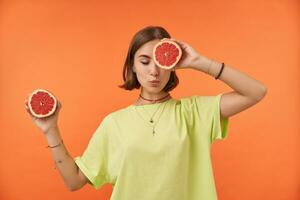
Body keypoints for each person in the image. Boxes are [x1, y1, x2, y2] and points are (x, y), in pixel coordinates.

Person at [25, 25, 267, 200]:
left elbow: (255, 92)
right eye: (144, 61)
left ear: (173, 68)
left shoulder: (195, 113)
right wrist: (51, 129)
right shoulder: (114, 123)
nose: (154, 71)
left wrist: (200, 62)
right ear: (131, 64)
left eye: (162, 63)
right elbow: (74, 180)